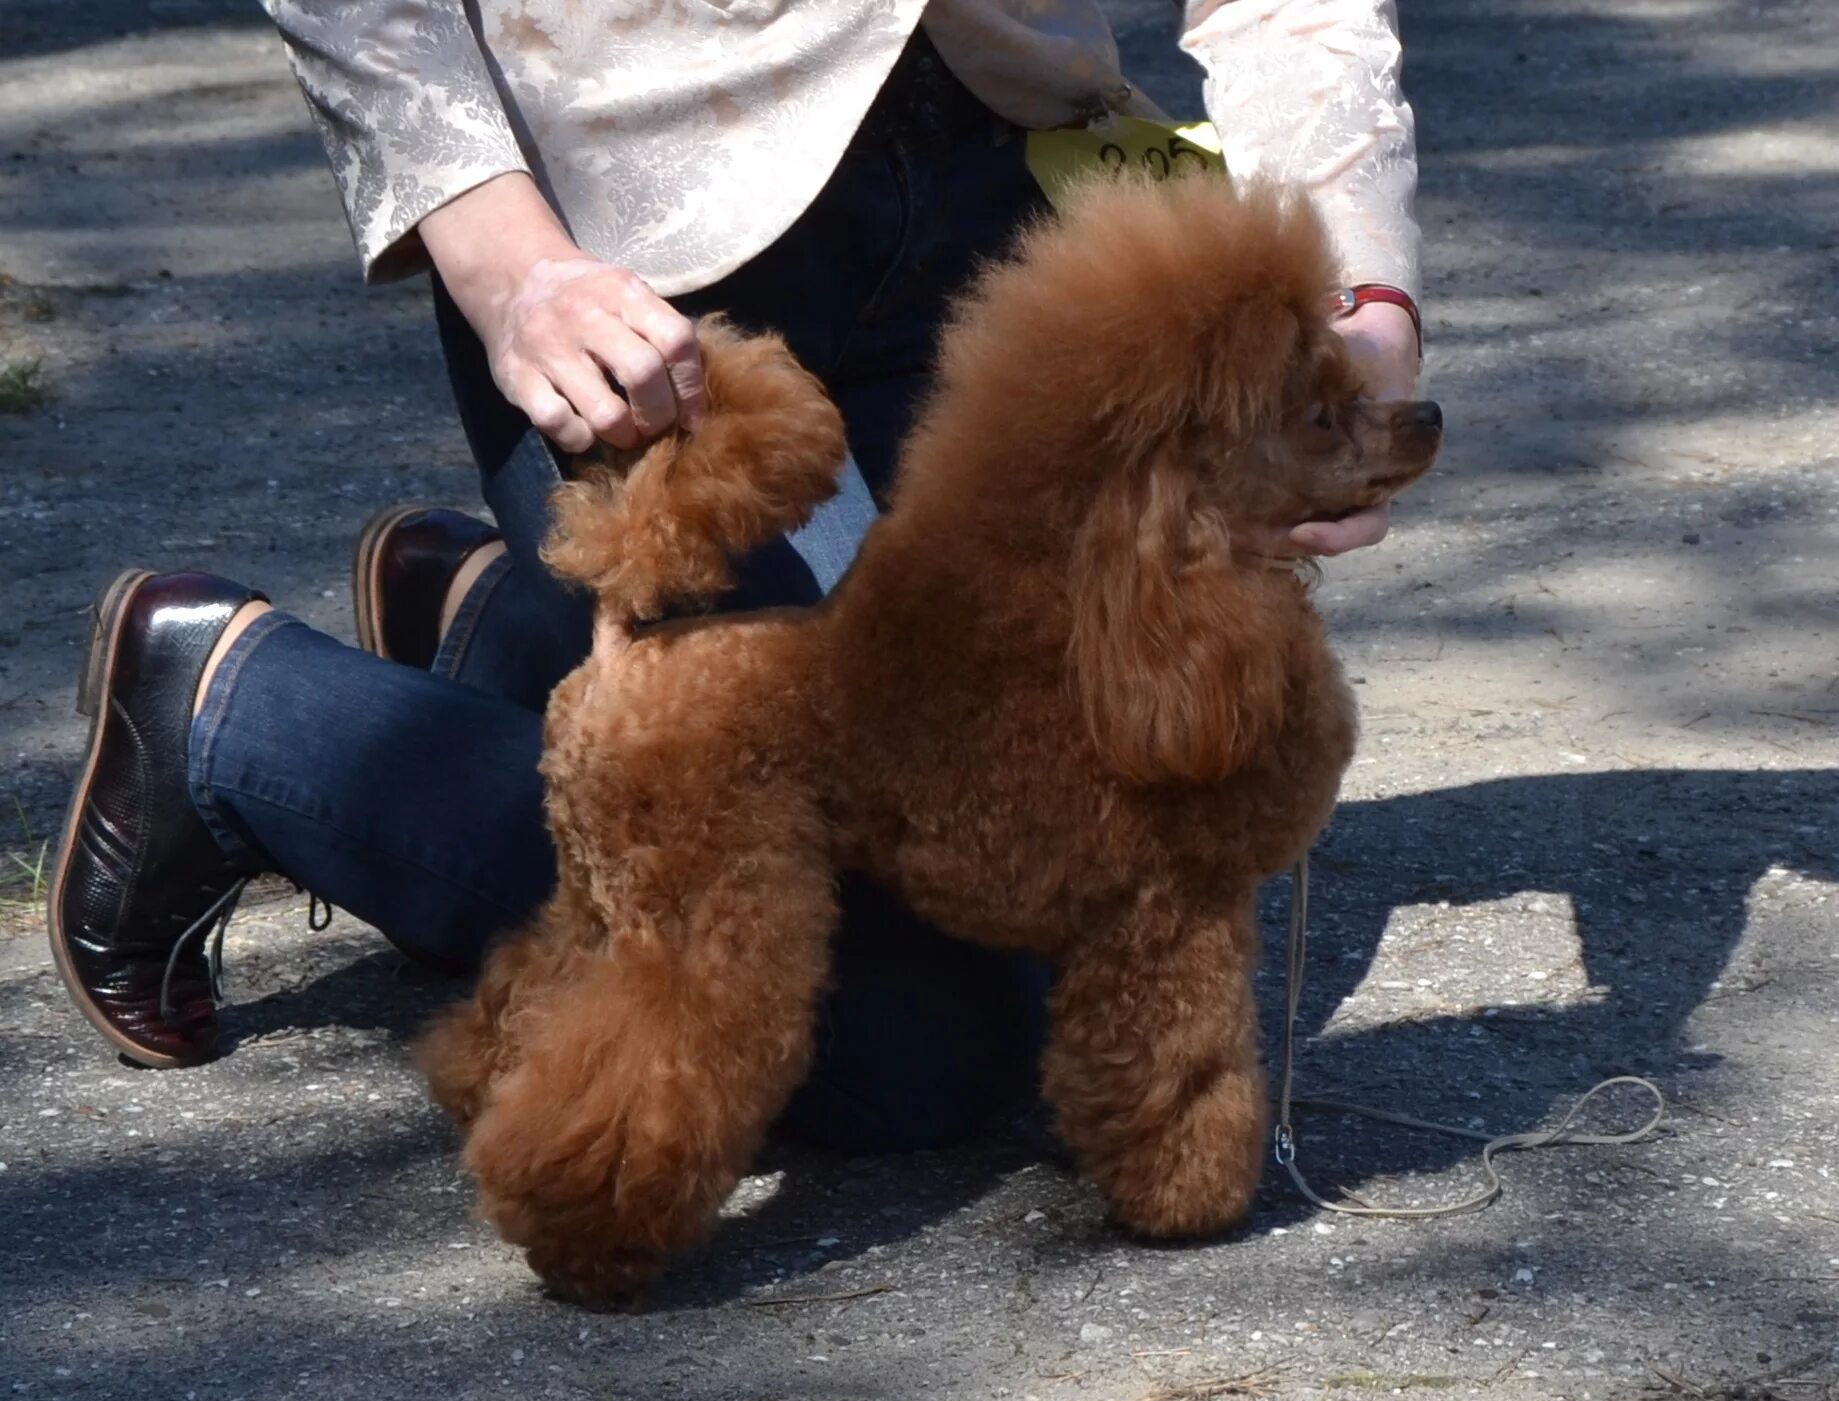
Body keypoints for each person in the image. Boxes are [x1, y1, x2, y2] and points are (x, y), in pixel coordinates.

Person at [46, 1, 1425, 1151]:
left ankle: (507, 636)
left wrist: (1352, 301)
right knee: (895, 1057)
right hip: (631, 256)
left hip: (1019, 234)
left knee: (1029, 896)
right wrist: (507, 262)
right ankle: (242, 717)